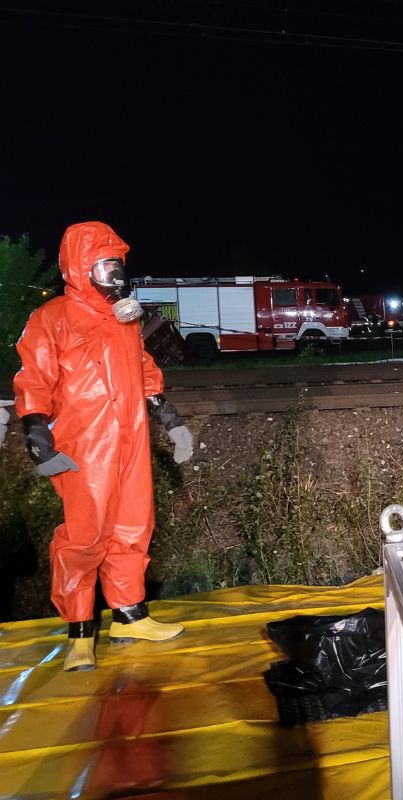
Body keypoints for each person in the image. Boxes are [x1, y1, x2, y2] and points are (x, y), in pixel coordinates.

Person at [13, 221, 195, 673]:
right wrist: (36, 432)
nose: (114, 274)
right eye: (104, 265)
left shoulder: (122, 319)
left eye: (117, 264)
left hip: (131, 438)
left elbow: (144, 369)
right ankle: (80, 630)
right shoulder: (52, 317)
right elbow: (35, 377)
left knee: (133, 526)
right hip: (85, 444)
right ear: (80, 268)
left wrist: (170, 419)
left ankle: (130, 615)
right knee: (84, 537)